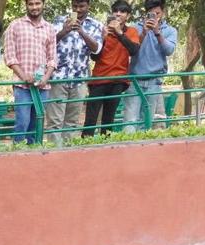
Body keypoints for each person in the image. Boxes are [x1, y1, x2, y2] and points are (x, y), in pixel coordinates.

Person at [47, 0, 102, 145]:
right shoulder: (59, 21)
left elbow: (97, 49)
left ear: (88, 6)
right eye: (75, 6)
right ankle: (54, 154)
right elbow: (47, 44)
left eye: (81, 6)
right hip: (58, 77)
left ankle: (67, 152)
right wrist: (64, 31)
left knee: (72, 121)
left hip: (80, 79)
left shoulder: (95, 25)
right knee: (54, 121)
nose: (78, 9)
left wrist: (81, 31)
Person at [3, 0, 57, 144]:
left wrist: (46, 77)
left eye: (37, 3)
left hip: (42, 85)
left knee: (36, 123)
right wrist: (23, 76)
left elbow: (52, 58)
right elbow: (9, 56)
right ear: (26, 5)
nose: (34, 7)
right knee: (22, 122)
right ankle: (17, 153)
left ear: (43, 4)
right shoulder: (15, 25)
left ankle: (34, 154)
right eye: (31, 4)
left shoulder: (50, 28)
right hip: (22, 85)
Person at [82, 0, 138, 136]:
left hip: (117, 80)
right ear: (112, 13)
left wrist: (119, 33)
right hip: (99, 79)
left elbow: (134, 50)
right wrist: (102, 38)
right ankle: (85, 146)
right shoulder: (102, 30)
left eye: (122, 11)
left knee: (108, 119)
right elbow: (95, 57)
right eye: (116, 11)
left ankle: (106, 148)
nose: (118, 14)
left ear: (128, 16)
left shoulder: (131, 31)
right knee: (90, 118)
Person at [122, 0, 176, 131]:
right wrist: (144, 32)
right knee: (130, 120)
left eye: (157, 13)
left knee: (147, 121)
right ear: (146, 13)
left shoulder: (170, 30)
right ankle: (128, 150)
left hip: (154, 81)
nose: (154, 17)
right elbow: (131, 50)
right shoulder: (135, 28)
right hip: (135, 80)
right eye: (151, 14)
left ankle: (142, 150)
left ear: (162, 12)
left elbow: (169, 50)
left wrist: (158, 32)